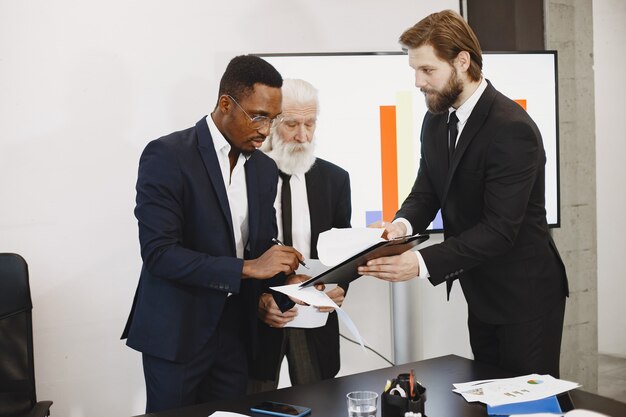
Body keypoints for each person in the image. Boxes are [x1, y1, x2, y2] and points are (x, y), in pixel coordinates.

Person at [359, 10, 569, 377]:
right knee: (487, 398)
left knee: (526, 408)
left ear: (462, 61)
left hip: (526, 299)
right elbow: (428, 189)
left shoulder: (511, 128)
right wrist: (401, 226)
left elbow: (500, 229)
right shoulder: (436, 118)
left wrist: (421, 263)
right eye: (414, 71)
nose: (418, 82)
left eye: (427, 70)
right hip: (482, 293)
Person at [121, 55, 304, 413]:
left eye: (273, 118)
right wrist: (249, 268)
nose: (266, 130)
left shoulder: (265, 169)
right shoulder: (168, 155)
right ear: (225, 104)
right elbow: (159, 253)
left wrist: (289, 275)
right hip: (177, 333)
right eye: (258, 116)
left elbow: (261, 243)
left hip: (236, 333)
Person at [248, 79, 352, 392]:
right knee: (253, 405)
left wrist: (339, 288)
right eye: (292, 124)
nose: (303, 136)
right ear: (270, 123)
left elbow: (343, 253)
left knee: (319, 403)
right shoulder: (245, 176)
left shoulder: (336, 180)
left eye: (310, 124)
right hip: (262, 317)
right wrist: (257, 300)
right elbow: (234, 251)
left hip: (314, 317)